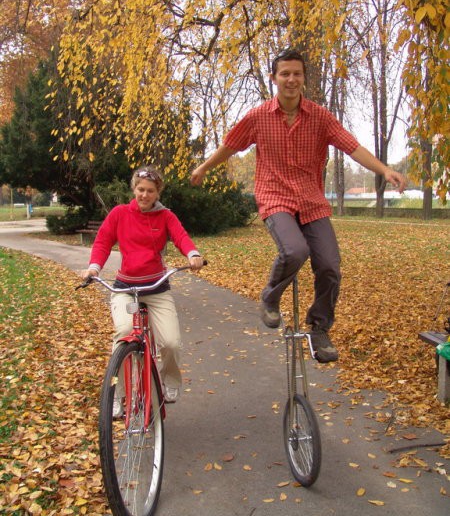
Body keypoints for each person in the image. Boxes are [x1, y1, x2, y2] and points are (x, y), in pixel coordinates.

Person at [190, 48, 406, 364]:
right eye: (285, 74)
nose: (291, 80)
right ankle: (270, 297)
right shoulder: (258, 117)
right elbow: (230, 146)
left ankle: (319, 327)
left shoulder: (320, 117)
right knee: (295, 250)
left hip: (311, 201)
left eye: (297, 74)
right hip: (275, 197)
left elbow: (352, 146)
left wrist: (384, 169)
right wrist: (204, 167)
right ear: (274, 78)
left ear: (303, 78)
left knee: (330, 266)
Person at [82, 165, 204, 415]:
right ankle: (117, 395)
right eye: (140, 189)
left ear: (157, 192)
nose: (144, 195)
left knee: (170, 342)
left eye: (150, 191)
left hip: (157, 287)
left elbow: (180, 237)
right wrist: (94, 268)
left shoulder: (166, 216)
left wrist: (193, 254)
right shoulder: (119, 214)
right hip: (126, 287)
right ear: (134, 189)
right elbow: (103, 241)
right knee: (124, 333)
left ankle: (170, 382)